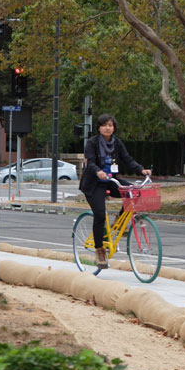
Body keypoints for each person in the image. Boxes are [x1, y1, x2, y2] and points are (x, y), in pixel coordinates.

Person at [78, 114, 151, 268]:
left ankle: (119, 220)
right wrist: (98, 171)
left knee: (134, 192)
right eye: (104, 125)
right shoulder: (92, 143)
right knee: (99, 215)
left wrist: (141, 170)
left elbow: (127, 159)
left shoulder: (117, 143)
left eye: (110, 125)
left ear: (114, 128)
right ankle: (99, 251)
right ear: (98, 127)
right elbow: (90, 162)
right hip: (94, 184)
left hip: (111, 181)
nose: (107, 127)